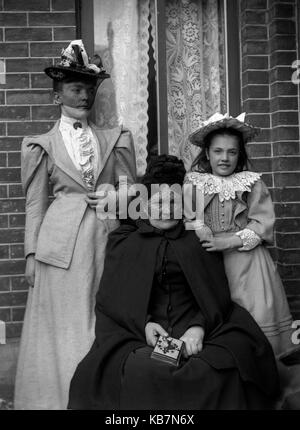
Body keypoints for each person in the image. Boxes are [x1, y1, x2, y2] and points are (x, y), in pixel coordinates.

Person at [68, 155, 280, 410]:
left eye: (173, 201)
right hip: (141, 333)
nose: (167, 208)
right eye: (159, 201)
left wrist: (197, 328)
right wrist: (144, 326)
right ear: (144, 205)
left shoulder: (197, 241)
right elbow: (112, 299)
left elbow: (215, 294)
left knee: (222, 364)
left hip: (197, 328)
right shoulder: (126, 243)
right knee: (144, 369)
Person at [14, 40, 136, 410]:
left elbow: (131, 188)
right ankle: (55, 398)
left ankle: (100, 399)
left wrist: (115, 197)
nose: (84, 96)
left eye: (88, 89)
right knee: (63, 324)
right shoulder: (42, 145)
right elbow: (35, 203)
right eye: (75, 89)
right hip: (60, 245)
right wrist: (31, 254)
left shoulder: (114, 138)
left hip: (105, 239)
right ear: (58, 96)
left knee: (100, 317)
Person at [184, 112, 299, 362]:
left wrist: (228, 241)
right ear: (207, 153)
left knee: (254, 321)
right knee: (214, 323)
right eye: (218, 151)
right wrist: (198, 226)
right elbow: (187, 219)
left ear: (240, 154)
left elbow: (263, 224)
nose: (225, 158)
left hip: (248, 265)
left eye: (232, 152)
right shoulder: (193, 184)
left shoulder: (252, 183)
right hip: (208, 262)